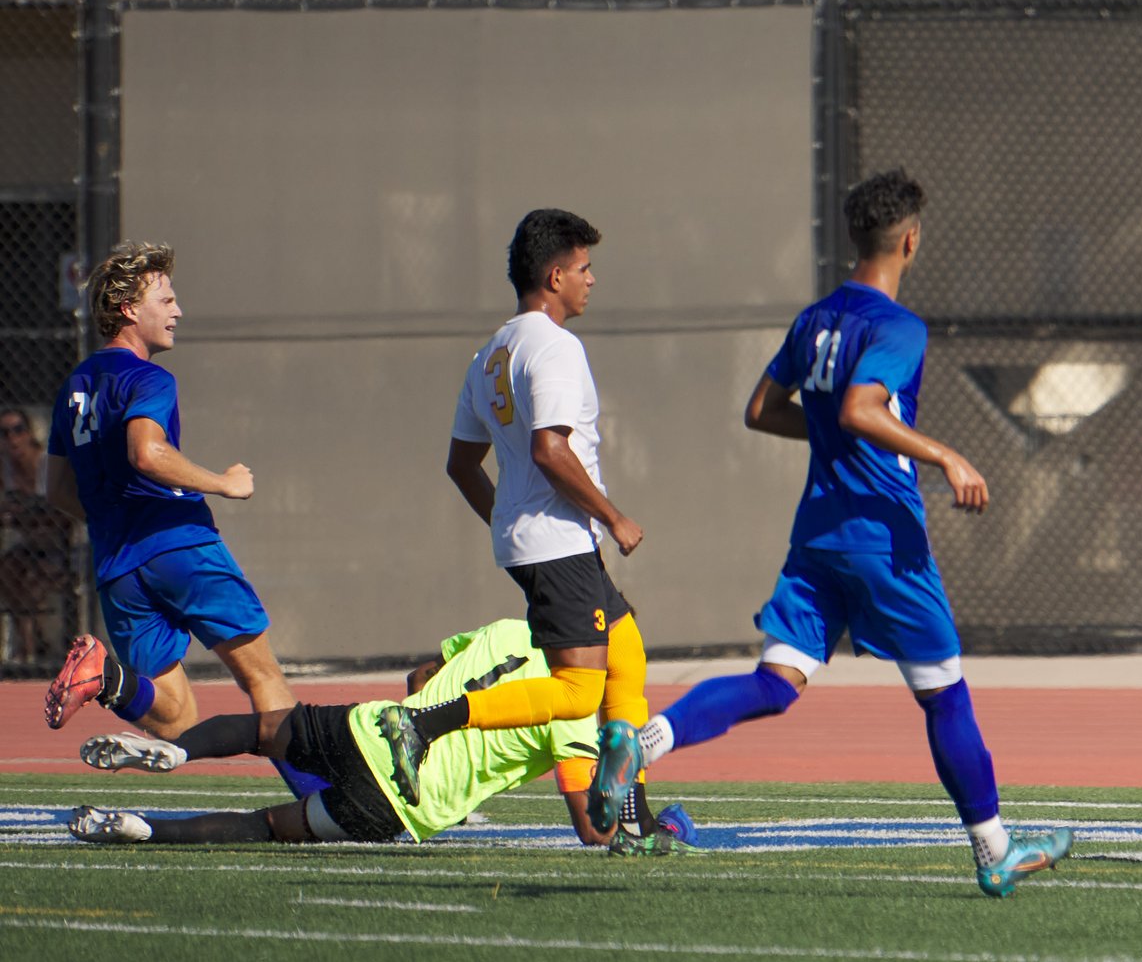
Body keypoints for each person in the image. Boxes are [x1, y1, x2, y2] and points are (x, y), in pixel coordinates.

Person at [586, 169, 1071, 897]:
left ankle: (643, 741)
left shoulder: (814, 318)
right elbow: (858, 408)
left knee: (774, 683)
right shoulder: (899, 327)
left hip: (817, 536)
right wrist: (945, 454)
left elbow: (760, 409)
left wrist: (834, 432)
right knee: (944, 695)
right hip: (884, 537)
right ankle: (995, 849)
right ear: (910, 241)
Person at [373, 209, 651, 815]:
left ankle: (632, 815)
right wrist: (613, 517)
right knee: (579, 695)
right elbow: (549, 450)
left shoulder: (491, 353)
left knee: (626, 654)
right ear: (555, 276)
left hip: (539, 541)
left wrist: (508, 521)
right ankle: (424, 726)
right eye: (583, 268)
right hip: (560, 543)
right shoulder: (554, 347)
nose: (591, 280)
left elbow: (461, 464)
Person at [41, 241, 326, 800]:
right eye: (166, 299)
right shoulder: (150, 379)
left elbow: (56, 490)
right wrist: (224, 483)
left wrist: (113, 519)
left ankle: (106, 676)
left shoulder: (75, 385)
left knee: (175, 717)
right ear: (128, 308)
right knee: (262, 678)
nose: (178, 311)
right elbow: (146, 452)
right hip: (180, 546)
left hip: (117, 567)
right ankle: (321, 799)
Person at [66, 618, 688, 854]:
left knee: (262, 729)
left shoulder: (511, 629)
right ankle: (146, 829)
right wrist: (631, 786)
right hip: (402, 804)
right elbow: (593, 828)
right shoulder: (580, 714)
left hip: (370, 730)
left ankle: (178, 749)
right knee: (269, 826)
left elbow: (421, 674)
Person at [0, 406, 74, 662]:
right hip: (28, 547)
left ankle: (35, 649)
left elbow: (63, 514)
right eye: (5, 433)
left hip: (62, 548)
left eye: (18, 430)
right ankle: (29, 651)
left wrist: (27, 515)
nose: (12, 439)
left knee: (32, 583)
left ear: (30, 433)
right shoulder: (6, 470)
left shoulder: (46, 464)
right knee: (7, 570)